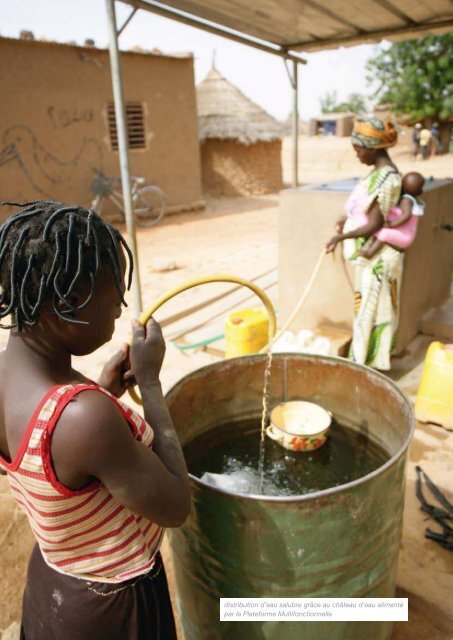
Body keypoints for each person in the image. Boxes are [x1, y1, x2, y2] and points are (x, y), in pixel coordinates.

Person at [0, 200, 191, 640]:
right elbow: (176, 505)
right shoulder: (84, 417)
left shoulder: (21, 385)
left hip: (55, 582)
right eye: (113, 300)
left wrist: (102, 391)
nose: (120, 313)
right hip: (110, 607)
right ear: (66, 305)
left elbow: (51, 458)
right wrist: (151, 382)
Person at [326, 117, 403, 371]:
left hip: (378, 261)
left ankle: (364, 368)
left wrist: (341, 237)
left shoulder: (387, 179)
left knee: (372, 314)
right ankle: (363, 365)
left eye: (358, 149)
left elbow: (375, 225)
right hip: (369, 260)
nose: (357, 154)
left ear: (372, 147)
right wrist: (345, 221)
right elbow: (366, 214)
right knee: (366, 312)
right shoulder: (378, 174)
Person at [359, 171, 425, 259]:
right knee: (379, 231)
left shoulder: (406, 200)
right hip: (406, 235)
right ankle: (370, 247)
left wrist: (391, 225)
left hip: (404, 236)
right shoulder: (414, 200)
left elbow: (406, 215)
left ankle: (369, 253)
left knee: (384, 233)